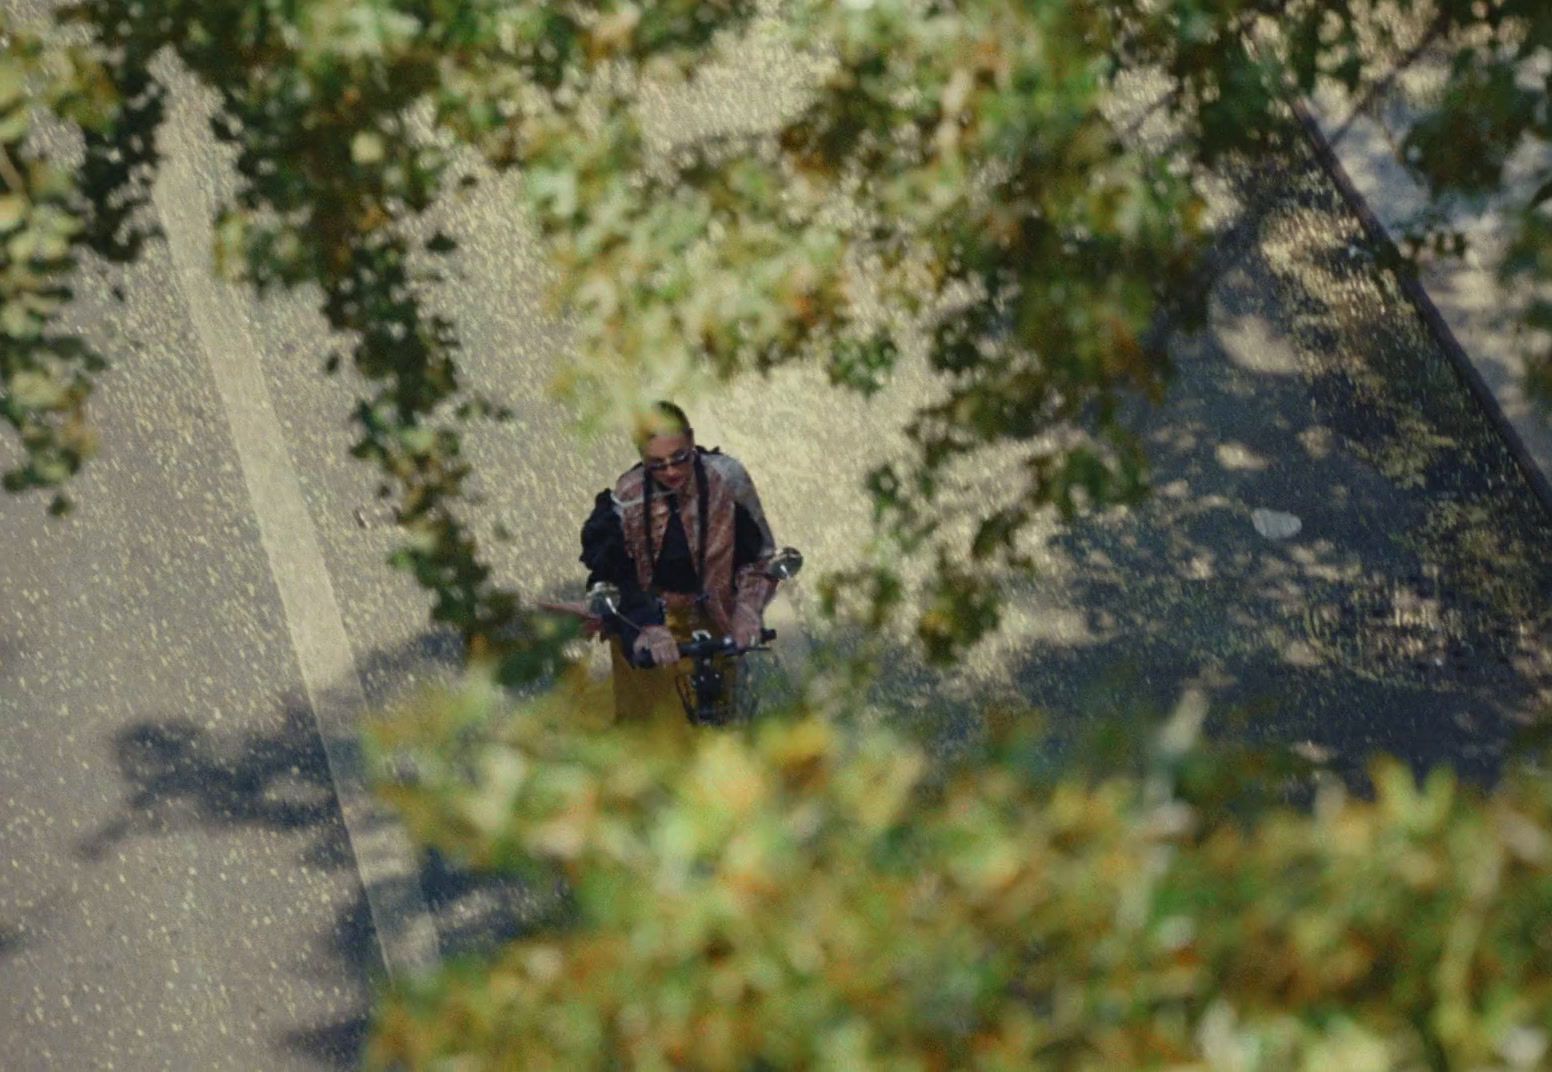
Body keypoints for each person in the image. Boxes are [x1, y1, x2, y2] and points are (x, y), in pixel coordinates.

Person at [578, 401, 783, 727]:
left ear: (691, 440)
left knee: (725, 717)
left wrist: (747, 609)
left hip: (714, 613)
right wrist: (647, 627)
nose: (671, 472)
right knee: (652, 727)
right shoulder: (626, 495)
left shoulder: (727, 478)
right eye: (657, 465)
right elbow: (614, 573)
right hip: (650, 622)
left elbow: (758, 556)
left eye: (680, 458)